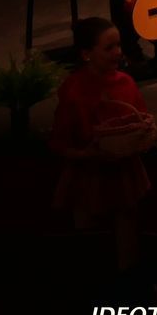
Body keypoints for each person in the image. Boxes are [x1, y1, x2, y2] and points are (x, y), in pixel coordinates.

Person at [50, 16, 150, 265]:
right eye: (109, 48)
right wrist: (90, 155)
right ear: (86, 54)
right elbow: (60, 143)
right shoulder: (73, 90)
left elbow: (141, 120)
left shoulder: (125, 83)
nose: (118, 52)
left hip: (122, 171)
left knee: (127, 227)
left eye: (118, 45)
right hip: (88, 174)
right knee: (90, 232)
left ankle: (128, 282)